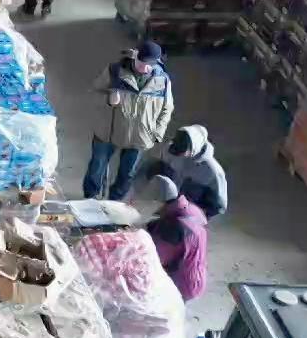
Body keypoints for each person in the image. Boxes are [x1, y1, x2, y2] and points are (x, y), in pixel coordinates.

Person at [86, 41, 174, 200]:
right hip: (109, 132)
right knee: (97, 167)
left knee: (127, 173)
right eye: (142, 63)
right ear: (135, 56)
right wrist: (107, 99)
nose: (146, 68)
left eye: (151, 65)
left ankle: (115, 202)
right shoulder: (114, 72)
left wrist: (157, 133)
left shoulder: (162, 80)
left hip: (139, 136)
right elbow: (93, 92)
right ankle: (90, 198)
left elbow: (167, 109)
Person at [135, 174, 208, 301]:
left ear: (160, 203)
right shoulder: (191, 209)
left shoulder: (173, 229)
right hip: (197, 272)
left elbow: (151, 259)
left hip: (182, 283)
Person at [163, 125, 228, 219]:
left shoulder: (213, 171)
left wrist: (196, 214)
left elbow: (219, 206)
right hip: (173, 204)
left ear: (193, 148)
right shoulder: (173, 152)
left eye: (181, 151)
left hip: (193, 214)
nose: (177, 154)